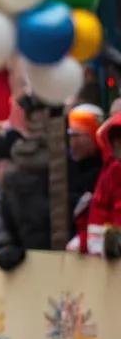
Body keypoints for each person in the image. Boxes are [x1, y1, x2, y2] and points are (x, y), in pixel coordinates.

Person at [0, 132, 51, 271]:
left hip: (36, 250)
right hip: (42, 252)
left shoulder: (11, 184)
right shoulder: (10, 185)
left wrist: (8, 244)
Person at [66, 103, 104, 250]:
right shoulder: (65, 169)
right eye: (71, 136)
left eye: (78, 136)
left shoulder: (108, 171)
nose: (73, 143)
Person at [86, 110, 121, 258]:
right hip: (111, 251)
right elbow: (99, 208)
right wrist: (96, 243)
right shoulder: (112, 172)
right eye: (115, 141)